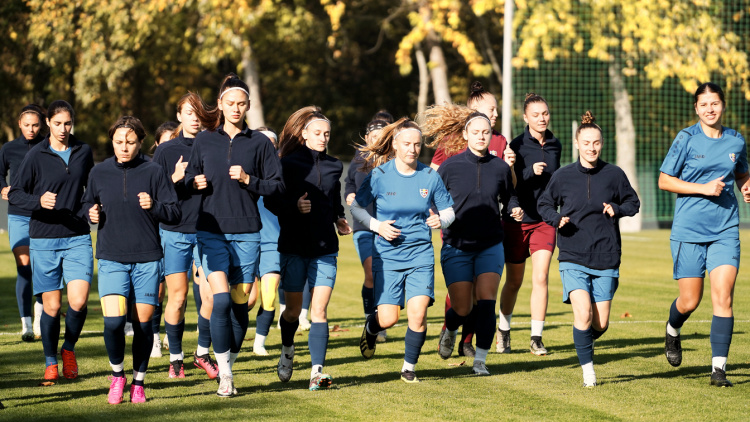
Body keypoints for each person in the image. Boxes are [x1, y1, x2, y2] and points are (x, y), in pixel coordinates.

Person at [184, 73, 284, 397]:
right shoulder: (204, 140)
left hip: (247, 232)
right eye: (230, 103)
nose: (236, 108)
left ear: (249, 106)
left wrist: (248, 179)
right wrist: (193, 182)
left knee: (241, 305)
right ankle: (225, 374)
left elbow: (277, 186)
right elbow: (185, 181)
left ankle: (228, 359)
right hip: (210, 230)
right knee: (222, 299)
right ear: (221, 105)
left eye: (242, 104)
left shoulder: (259, 144)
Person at [537, 111, 639, 387]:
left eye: (596, 143)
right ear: (577, 144)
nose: (591, 147)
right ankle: (588, 371)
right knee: (583, 313)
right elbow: (544, 204)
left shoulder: (614, 174)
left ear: (602, 144)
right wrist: (557, 219)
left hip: (606, 256)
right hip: (572, 254)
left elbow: (633, 203)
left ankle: (582, 342)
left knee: (600, 323)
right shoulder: (563, 176)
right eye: (586, 143)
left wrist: (616, 209)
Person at [84, 116, 180, 404]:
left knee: (142, 324)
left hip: (147, 258)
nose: (123, 147)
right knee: (113, 323)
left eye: (130, 142)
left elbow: (174, 212)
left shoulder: (154, 171)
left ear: (140, 142)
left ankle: (138, 381)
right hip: (112, 256)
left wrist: (155, 206)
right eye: (118, 142)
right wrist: (90, 214)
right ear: (111, 141)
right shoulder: (99, 173)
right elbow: (86, 205)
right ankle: (117, 376)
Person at [659, 82, 750, 387]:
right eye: (704, 104)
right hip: (689, 230)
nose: (710, 109)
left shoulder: (736, 141)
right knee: (690, 301)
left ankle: (718, 370)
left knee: (723, 296)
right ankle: (672, 330)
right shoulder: (685, 139)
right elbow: (664, 181)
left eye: (715, 103)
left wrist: (746, 186)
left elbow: (741, 173)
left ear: (723, 105)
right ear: (696, 108)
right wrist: (702, 188)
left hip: (725, 228)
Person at [352, 118, 455, 383]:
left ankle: (408, 367)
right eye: (407, 143)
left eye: (417, 144)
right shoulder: (379, 175)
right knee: (387, 318)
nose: (412, 149)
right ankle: (371, 328)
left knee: (418, 314)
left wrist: (440, 220)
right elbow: (356, 208)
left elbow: (448, 211)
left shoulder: (430, 176)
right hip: (387, 255)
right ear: (395, 145)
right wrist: (377, 226)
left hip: (420, 253)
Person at [429, 110, 523, 375]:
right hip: (457, 244)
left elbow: (510, 197)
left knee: (486, 302)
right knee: (462, 307)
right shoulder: (450, 166)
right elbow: (433, 199)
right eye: (476, 132)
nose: (482, 136)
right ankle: (449, 329)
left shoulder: (501, 168)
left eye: (486, 132)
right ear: (465, 135)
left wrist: (514, 209)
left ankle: (480, 360)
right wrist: (435, 215)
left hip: (491, 244)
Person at [265, 107, 352, 390]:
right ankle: (288, 349)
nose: (323, 138)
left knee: (319, 310)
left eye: (327, 133)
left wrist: (339, 216)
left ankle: (317, 372)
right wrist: (295, 207)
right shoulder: (287, 163)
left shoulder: (334, 165)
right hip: (293, 246)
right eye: (317, 133)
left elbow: (332, 196)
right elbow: (272, 202)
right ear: (304, 134)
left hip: (325, 246)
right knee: (291, 311)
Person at [9, 100, 94, 381]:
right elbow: (16, 193)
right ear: (48, 123)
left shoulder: (83, 151)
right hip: (44, 238)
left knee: (79, 301)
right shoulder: (36, 155)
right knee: (53, 307)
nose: (63, 129)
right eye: (57, 123)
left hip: (78, 236)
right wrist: (38, 201)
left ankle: (68, 349)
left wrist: (94, 208)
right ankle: (50, 362)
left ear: (73, 123)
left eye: (67, 123)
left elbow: (91, 189)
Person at [153, 92, 218, 378]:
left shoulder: (215, 144)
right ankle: (176, 358)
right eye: (188, 112)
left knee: (214, 296)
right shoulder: (166, 151)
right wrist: (176, 180)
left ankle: (202, 353)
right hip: (175, 231)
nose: (194, 117)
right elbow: (154, 193)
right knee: (177, 299)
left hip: (209, 231)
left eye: (198, 112)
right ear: (179, 116)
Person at [497, 93, 561, 355]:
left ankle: (536, 337)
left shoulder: (556, 144)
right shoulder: (515, 145)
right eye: (536, 114)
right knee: (514, 282)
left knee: (542, 277)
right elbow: (507, 183)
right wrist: (527, 172)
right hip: (517, 221)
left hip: (545, 221)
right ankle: (503, 330)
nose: (541, 118)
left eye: (544, 113)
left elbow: (557, 181)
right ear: (525, 118)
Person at [0, 104, 46, 341]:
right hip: (18, 213)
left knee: (42, 268)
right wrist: (3, 188)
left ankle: (40, 317)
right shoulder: (9, 148)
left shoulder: (49, 146)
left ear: (42, 124)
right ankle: (25, 324)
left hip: (43, 213)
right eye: (26, 125)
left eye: (35, 125)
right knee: (24, 266)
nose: (31, 129)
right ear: (19, 124)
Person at [345, 119, 388, 343]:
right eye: (374, 136)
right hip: (363, 225)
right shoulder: (358, 159)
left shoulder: (393, 160)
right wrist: (349, 195)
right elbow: (349, 183)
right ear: (367, 138)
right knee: (370, 272)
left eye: (381, 136)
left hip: (388, 226)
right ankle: (371, 318)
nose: (377, 140)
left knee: (385, 274)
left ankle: (383, 317)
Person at [251, 126, 282, 356]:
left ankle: (259, 343)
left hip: (273, 243)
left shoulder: (283, 173)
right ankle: (229, 337)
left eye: (271, 143)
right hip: (245, 240)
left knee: (269, 294)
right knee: (247, 299)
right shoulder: (240, 170)